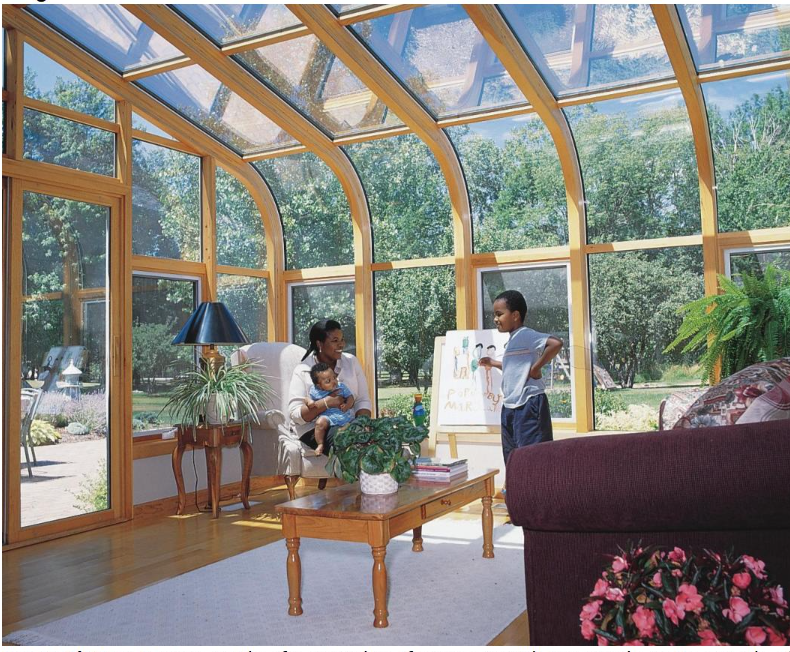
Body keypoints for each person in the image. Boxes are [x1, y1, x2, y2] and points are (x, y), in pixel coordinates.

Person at [479, 290, 563, 465]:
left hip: (528, 405)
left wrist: (536, 368)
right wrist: (493, 363)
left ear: (515, 315)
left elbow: (555, 343)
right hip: (511, 406)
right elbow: (515, 369)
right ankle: (515, 489)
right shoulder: (512, 340)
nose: (495, 319)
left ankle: (533, 491)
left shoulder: (525, 334)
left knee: (533, 459)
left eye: (499, 314)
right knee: (512, 457)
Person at [288, 319, 372, 457]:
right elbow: (296, 415)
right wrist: (326, 403)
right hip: (315, 428)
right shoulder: (303, 370)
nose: (341, 344)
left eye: (342, 339)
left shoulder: (351, 362)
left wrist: (362, 424)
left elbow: (362, 400)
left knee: (380, 436)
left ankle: (376, 478)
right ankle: (356, 476)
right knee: (346, 441)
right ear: (320, 344)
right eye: (335, 341)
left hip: (349, 423)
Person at [304, 362, 355, 455]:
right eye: (328, 381)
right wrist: (309, 402)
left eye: (334, 378)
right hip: (327, 416)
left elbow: (351, 397)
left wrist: (347, 405)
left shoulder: (341, 387)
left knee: (354, 424)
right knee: (319, 423)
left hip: (342, 414)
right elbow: (306, 398)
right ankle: (320, 444)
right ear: (319, 385)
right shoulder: (315, 391)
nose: (334, 382)